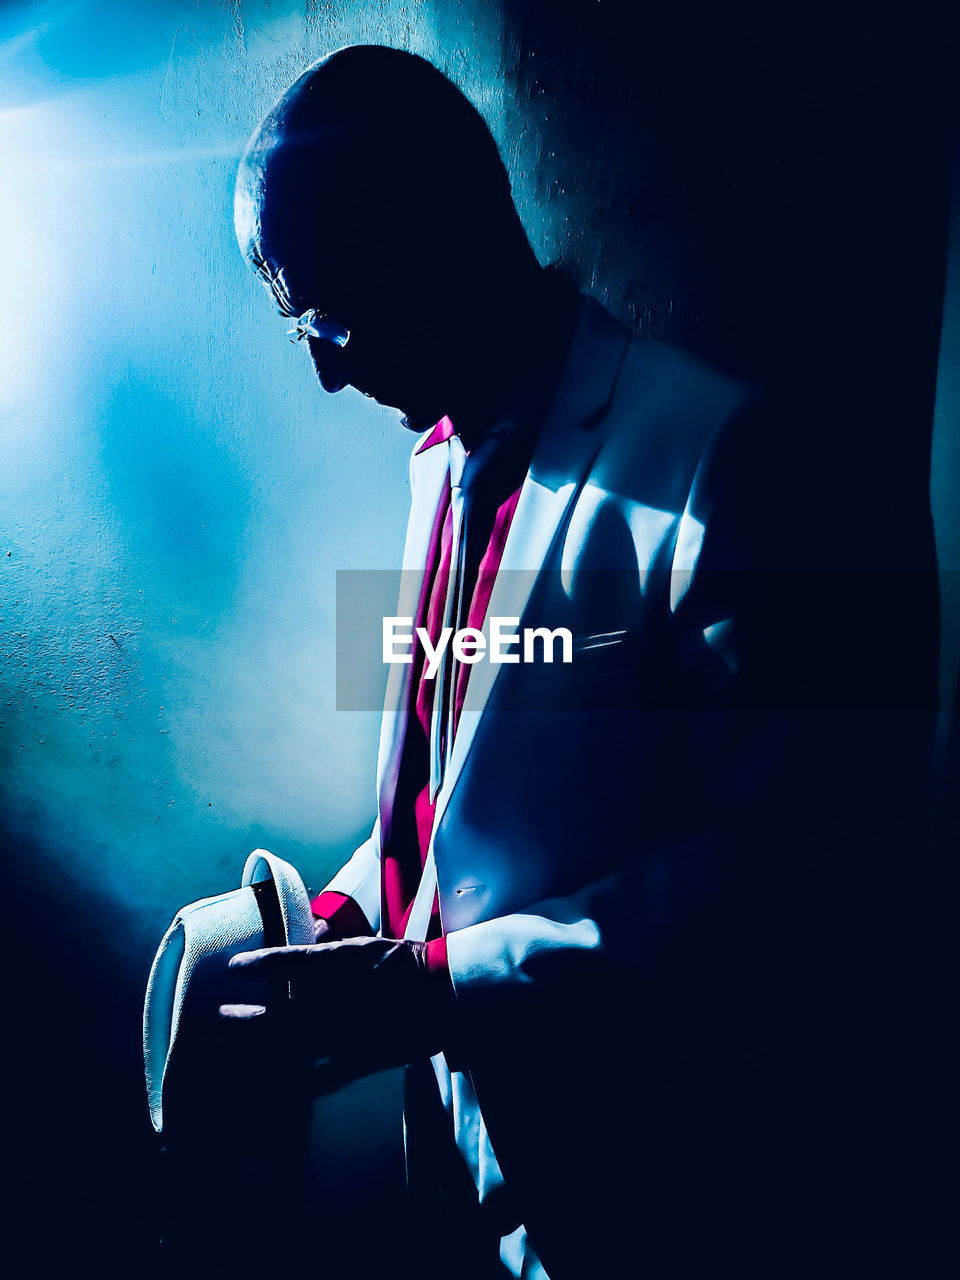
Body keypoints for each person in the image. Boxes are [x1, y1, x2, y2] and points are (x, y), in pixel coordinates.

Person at [224, 44, 928, 1280]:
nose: (326, 364)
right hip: (454, 1179)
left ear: (427, 229)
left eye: (321, 309)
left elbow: (766, 879)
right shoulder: (435, 461)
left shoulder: (719, 459)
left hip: (643, 1201)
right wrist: (346, 917)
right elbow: (454, 809)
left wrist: (433, 985)